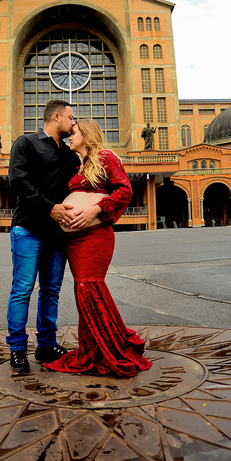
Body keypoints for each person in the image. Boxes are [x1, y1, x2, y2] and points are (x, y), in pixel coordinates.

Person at [45, 119, 151, 378]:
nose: (71, 136)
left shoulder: (106, 157)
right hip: (75, 240)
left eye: (74, 132)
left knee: (89, 287)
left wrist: (96, 209)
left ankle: (107, 349)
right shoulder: (78, 165)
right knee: (84, 291)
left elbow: (124, 190)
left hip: (96, 236)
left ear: (87, 135)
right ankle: (93, 347)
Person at [6, 100, 79, 375]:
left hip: (59, 235)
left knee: (51, 292)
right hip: (29, 230)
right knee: (22, 291)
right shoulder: (26, 143)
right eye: (71, 118)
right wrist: (50, 207)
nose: (74, 123)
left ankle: (46, 344)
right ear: (56, 116)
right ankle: (17, 349)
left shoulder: (70, 154)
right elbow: (18, 181)